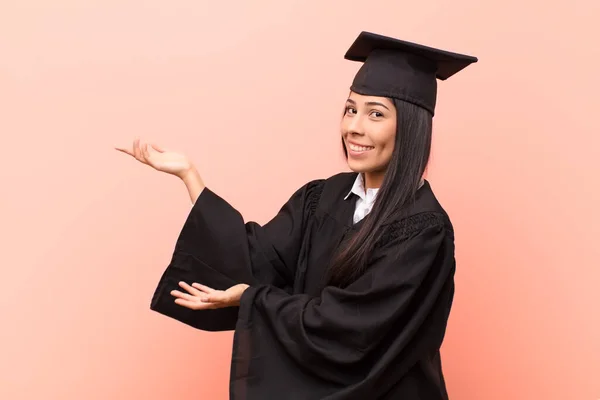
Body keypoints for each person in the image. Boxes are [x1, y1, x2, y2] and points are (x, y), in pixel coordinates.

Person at [116, 31, 477, 399]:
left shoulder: (424, 229)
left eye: (376, 114)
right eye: (351, 109)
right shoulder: (323, 198)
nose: (354, 126)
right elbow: (256, 259)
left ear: (412, 127)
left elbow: (355, 328)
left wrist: (253, 301)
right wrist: (191, 178)